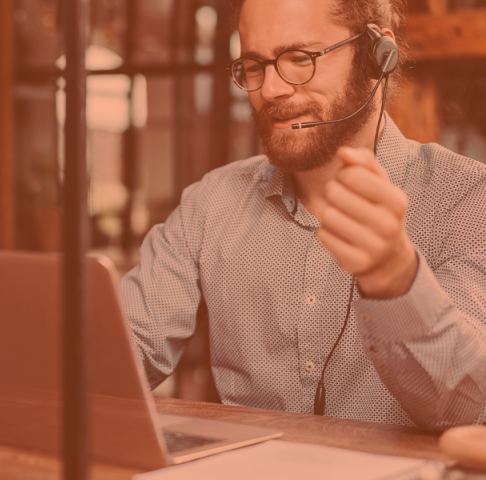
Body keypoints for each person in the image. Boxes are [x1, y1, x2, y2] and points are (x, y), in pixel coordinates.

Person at [121, 0, 486, 429]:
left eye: (300, 59)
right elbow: (120, 354)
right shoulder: (211, 202)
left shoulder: (469, 200)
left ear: (377, 55)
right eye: (254, 65)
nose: (270, 89)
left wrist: (397, 280)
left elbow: (468, 410)